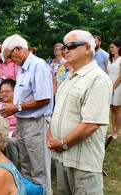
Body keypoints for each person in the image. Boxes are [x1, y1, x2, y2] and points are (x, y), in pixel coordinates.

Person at [47, 30, 112, 195]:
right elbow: (59, 110)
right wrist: (50, 132)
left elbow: (91, 124)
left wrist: (62, 143)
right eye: (65, 47)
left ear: (87, 48)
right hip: (63, 159)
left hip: (83, 163)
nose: (65, 50)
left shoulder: (98, 79)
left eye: (71, 46)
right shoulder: (70, 76)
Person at [0, 34, 53, 195]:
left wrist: (17, 108)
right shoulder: (22, 68)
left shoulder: (38, 66)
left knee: (39, 170)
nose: (9, 61)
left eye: (9, 56)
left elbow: (44, 99)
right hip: (23, 122)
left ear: (18, 49)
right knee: (27, 168)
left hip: (35, 123)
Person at [0, 79, 18, 167]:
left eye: (7, 91)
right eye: (2, 91)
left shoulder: (18, 106)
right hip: (0, 134)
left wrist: (10, 134)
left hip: (16, 135)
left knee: (9, 142)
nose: (4, 93)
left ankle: (11, 169)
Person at [106, 39, 121, 139]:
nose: (111, 49)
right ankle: (113, 129)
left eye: (113, 47)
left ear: (118, 48)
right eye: (110, 47)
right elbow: (106, 73)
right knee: (111, 108)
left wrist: (114, 87)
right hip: (109, 84)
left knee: (117, 108)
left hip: (118, 85)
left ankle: (117, 131)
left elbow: (120, 76)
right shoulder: (109, 60)